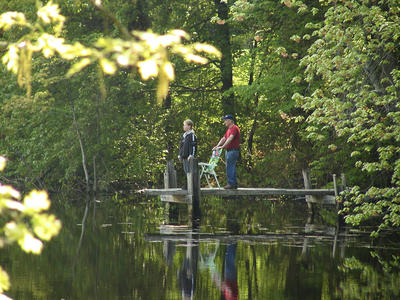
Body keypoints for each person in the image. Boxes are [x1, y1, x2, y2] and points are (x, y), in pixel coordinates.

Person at [213, 115, 240, 189]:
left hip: (233, 151)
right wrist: (217, 146)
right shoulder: (229, 129)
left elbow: (230, 138)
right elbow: (224, 138)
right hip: (228, 151)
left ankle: (231, 184)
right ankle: (233, 184)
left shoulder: (234, 128)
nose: (224, 122)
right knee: (229, 166)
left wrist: (223, 146)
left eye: (225, 120)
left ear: (230, 121)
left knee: (230, 166)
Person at [178, 119, 197, 189]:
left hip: (189, 157)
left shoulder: (192, 135)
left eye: (184, 125)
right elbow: (181, 146)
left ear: (189, 126)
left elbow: (193, 146)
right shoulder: (184, 136)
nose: (183, 126)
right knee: (186, 171)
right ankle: (188, 185)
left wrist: (191, 155)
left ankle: (191, 186)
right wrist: (179, 155)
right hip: (184, 157)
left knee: (190, 171)